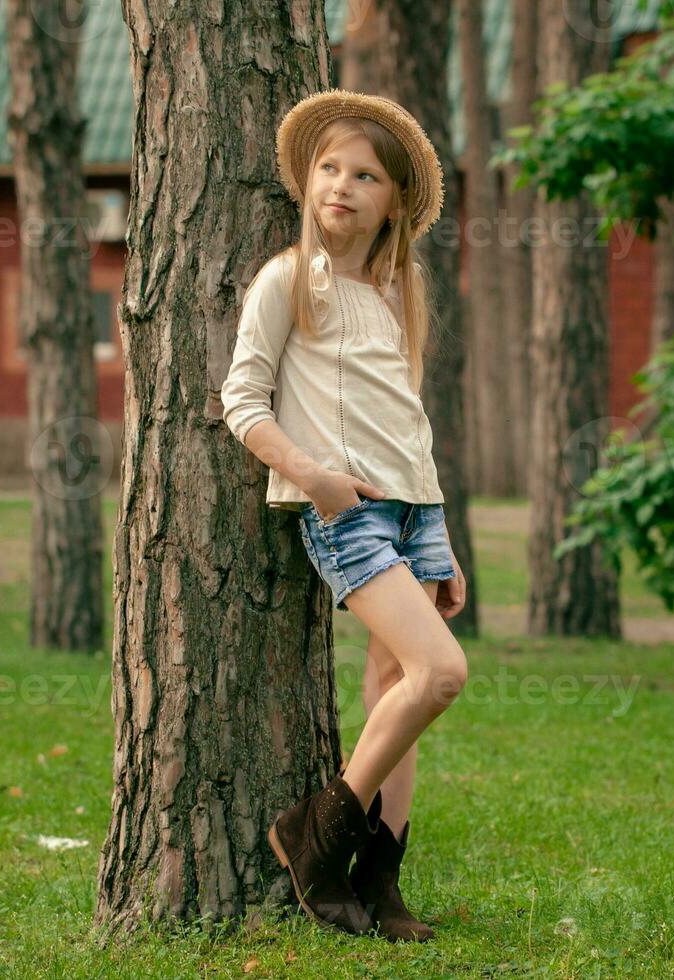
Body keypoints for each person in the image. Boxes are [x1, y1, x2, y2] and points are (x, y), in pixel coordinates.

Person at [219, 89, 469, 942]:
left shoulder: (397, 289)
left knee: (395, 684)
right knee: (441, 674)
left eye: (365, 175)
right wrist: (313, 477)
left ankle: (381, 875)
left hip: (414, 511)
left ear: (393, 199)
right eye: (330, 168)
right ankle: (315, 835)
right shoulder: (292, 279)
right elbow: (241, 400)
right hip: (346, 510)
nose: (343, 185)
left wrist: (441, 536)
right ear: (308, 182)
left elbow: (406, 418)